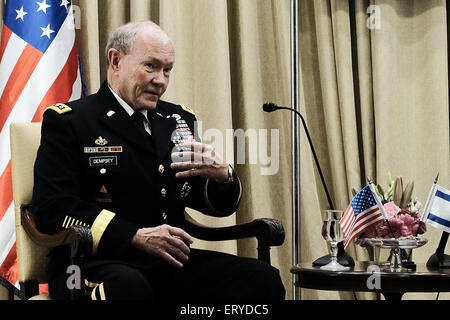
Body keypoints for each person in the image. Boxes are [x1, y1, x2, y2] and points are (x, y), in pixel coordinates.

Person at [32, 20, 285, 301]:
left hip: (164, 264)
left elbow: (205, 200)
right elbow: (52, 208)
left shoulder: (178, 120)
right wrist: (134, 236)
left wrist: (222, 176)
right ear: (115, 60)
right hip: (85, 264)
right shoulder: (71, 121)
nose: (161, 80)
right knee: (129, 288)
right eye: (150, 66)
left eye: (167, 70)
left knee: (263, 280)